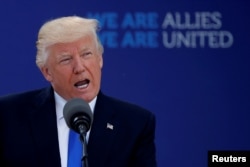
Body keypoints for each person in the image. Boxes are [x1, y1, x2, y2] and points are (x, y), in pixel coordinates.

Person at [0, 16, 157, 167]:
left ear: (100, 59)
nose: (79, 68)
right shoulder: (7, 116)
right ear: (47, 72)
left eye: (86, 54)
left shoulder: (135, 124)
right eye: (66, 59)